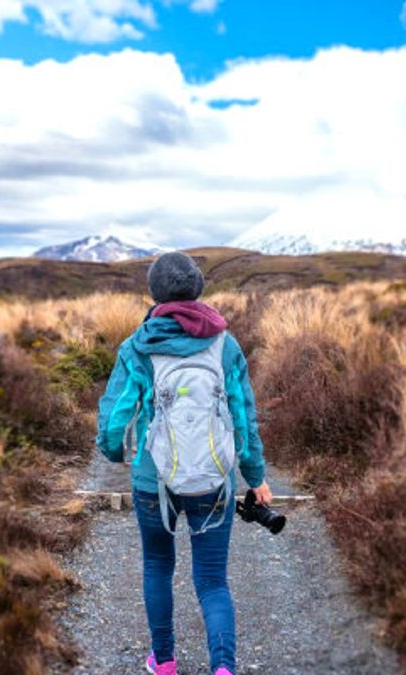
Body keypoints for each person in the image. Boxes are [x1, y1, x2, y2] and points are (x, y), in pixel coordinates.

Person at [96, 251, 271, 675]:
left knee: (158, 566)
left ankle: (165, 661)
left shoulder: (137, 345)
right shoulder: (224, 344)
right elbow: (243, 416)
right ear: (197, 289)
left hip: (153, 481)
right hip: (213, 481)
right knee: (212, 581)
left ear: (155, 293)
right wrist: (255, 477)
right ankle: (223, 668)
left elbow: (115, 419)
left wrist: (115, 452)